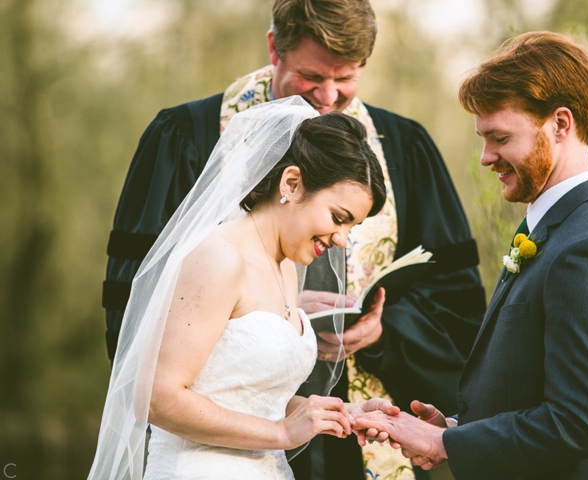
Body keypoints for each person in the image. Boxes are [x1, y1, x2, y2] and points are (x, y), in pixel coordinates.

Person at [101, 0, 485, 478]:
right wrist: (240, 314)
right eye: (311, 76)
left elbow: (455, 296)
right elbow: (143, 313)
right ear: (273, 49)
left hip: (336, 440)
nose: (327, 97)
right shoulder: (183, 138)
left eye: (345, 77)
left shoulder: (403, 146)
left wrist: (384, 340)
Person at [353, 31, 588, 480]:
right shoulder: (554, 231)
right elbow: (529, 393)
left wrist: (443, 443)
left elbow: (578, 425)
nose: (485, 158)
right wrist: (452, 430)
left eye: (499, 138)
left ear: (561, 124)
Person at [89, 98, 400, 480]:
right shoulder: (219, 257)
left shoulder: (284, 266)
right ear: (291, 183)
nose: (341, 240)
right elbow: (155, 398)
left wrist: (329, 412)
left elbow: (248, 397)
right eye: (339, 219)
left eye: (352, 228)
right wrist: (281, 433)